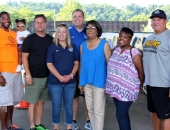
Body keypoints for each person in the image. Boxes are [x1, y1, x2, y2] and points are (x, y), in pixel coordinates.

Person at [105, 27, 144, 130]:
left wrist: (140, 86)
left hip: (128, 89)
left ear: (130, 39)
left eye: (125, 37)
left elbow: (140, 71)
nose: (121, 38)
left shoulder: (134, 52)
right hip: (116, 88)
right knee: (122, 114)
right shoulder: (116, 49)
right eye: (120, 36)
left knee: (121, 114)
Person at [22, 14, 53, 130]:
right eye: (37, 22)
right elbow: (24, 58)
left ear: (46, 24)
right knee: (32, 102)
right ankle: (31, 126)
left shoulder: (50, 39)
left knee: (41, 102)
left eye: (42, 22)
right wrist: (28, 74)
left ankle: (39, 124)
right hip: (33, 77)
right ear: (34, 24)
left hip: (47, 77)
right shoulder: (29, 39)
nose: (40, 24)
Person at [79, 20, 111, 130]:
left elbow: (109, 65)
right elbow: (82, 65)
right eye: (87, 28)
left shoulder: (104, 44)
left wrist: (109, 82)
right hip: (86, 83)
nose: (90, 30)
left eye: (93, 28)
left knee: (98, 111)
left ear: (97, 30)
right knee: (90, 109)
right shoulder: (83, 45)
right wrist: (80, 82)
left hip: (100, 82)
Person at [46, 23, 79, 130]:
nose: (61, 34)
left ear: (67, 34)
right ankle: (56, 127)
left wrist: (71, 75)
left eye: (64, 31)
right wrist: (59, 77)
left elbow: (76, 63)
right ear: (56, 34)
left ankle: (69, 127)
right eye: (59, 32)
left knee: (69, 107)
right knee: (56, 107)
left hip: (70, 82)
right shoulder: (52, 46)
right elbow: (49, 64)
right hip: (55, 82)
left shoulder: (72, 47)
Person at [143, 9, 170, 130]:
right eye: (153, 19)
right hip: (151, 83)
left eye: (159, 19)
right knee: (153, 112)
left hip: (164, 84)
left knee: (165, 116)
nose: (156, 22)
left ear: (166, 21)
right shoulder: (149, 38)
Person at [0, 11, 24, 130]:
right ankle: (3, 127)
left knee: (11, 101)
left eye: (8, 18)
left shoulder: (14, 33)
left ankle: (10, 125)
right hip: (4, 72)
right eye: (3, 18)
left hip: (16, 71)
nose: (7, 20)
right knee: (3, 102)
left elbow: (16, 49)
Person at [69, 9, 92, 130]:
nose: (77, 18)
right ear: (72, 18)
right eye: (75, 16)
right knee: (74, 96)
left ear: (83, 17)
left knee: (87, 95)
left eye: (79, 16)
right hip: (72, 68)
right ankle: (73, 121)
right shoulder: (68, 32)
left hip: (87, 68)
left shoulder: (89, 30)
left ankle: (89, 120)